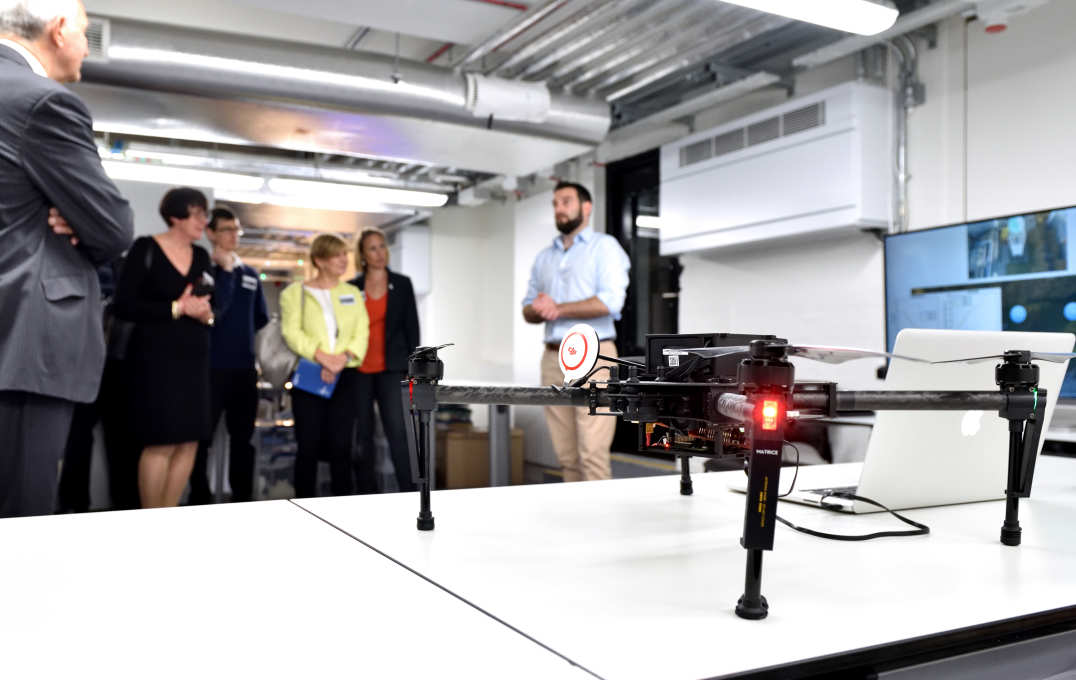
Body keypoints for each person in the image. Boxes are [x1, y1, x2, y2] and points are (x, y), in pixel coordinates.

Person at [0, 0, 134, 518]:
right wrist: (77, 221)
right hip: (22, 342)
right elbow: (113, 226)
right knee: (17, 519)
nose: (85, 45)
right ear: (57, 30)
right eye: (82, 31)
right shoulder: (42, 102)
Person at [112, 188, 215, 509]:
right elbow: (124, 305)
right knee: (160, 440)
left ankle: (168, 514)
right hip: (155, 360)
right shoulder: (146, 248)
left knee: (189, 440)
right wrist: (176, 308)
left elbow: (212, 303)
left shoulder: (201, 256)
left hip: (194, 357)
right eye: (197, 213)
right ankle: (150, 514)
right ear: (175, 216)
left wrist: (206, 314)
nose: (203, 221)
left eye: (204, 214)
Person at [522, 181, 630, 482]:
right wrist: (539, 308)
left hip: (594, 356)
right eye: (555, 204)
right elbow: (528, 308)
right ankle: (576, 523)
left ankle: (600, 527)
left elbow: (611, 302)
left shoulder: (604, 247)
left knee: (592, 454)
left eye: (566, 201)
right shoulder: (545, 257)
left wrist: (558, 308)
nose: (559, 209)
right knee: (566, 456)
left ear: (586, 207)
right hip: (553, 357)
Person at [189, 208, 269, 504]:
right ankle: (199, 495)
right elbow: (210, 313)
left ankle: (242, 496)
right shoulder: (202, 270)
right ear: (210, 233)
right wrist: (223, 272)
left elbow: (260, 318)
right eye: (226, 229)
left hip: (244, 370)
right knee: (201, 438)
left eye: (237, 229)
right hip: (207, 368)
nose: (233, 235)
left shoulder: (249, 274)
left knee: (242, 438)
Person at [281, 234, 368, 498]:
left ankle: (343, 507)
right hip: (310, 374)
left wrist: (341, 360)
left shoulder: (352, 293)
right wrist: (323, 358)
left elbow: (361, 333)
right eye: (336, 255)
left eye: (345, 254)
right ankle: (304, 505)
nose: (344, 260)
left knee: (342, 446)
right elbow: (292, 332)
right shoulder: (294, 293)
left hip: (346, 375)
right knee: (308, 445)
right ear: (319, 260)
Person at [349, 228, 420, 493]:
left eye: (382, 246)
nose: (380, 253)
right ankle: (365, 494)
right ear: (363, 255)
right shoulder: (352, 287)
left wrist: (414, 368)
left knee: (397, 434)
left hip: (391, 369)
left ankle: (409, 492)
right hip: (359, 370)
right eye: (373, 248)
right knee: (362, 436)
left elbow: (412, 329)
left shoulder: (402, 284)